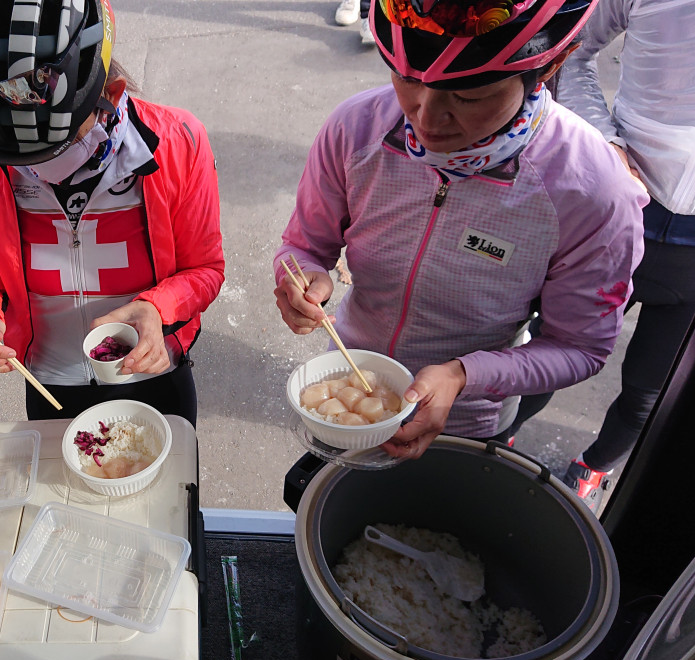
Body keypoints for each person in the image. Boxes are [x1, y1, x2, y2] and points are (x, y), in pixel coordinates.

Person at [273, 0, 646, 459]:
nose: (426, 119)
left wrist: (462, 376)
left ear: (550, 65)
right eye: (408, 81)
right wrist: (304, 277)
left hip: (467, 422)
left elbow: (580, 347)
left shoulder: (592, 191)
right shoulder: (356, 128)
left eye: (469, 97)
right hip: (346, 392)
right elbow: (303, 246)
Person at [0, 0, 224, 426]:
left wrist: (159, 307)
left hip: (153, 369)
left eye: (57, 144)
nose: (34, 168)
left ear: (111, 94)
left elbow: (204, 268)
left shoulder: (179, 142)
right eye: (13, 156)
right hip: (48, 382)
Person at [554, 0, 695, 511]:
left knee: (652, 395)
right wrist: (603, 141)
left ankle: (594, 468)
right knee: (549, 350)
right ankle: (495, 440)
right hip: (617, 214)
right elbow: (569, 49)